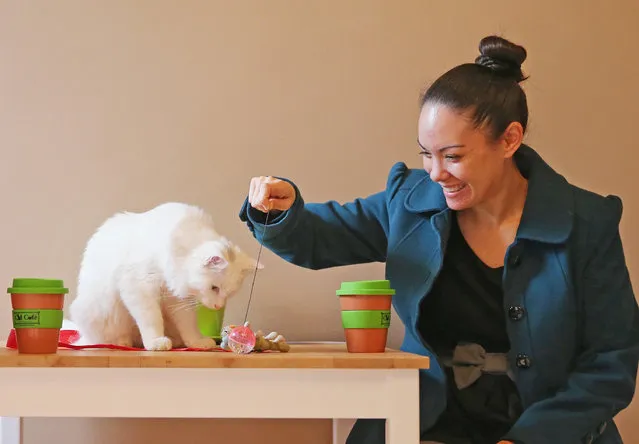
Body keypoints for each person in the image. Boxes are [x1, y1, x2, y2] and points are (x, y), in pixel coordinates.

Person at [238, 35, 639, 444]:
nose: (435, 173)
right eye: (425, 154)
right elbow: (318, 238)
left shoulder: (586, 223)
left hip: (551, 434)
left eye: (452, 156)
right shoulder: (409, 203)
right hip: (426, 423)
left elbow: (610, 364)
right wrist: (279, 210)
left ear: (510, 140)